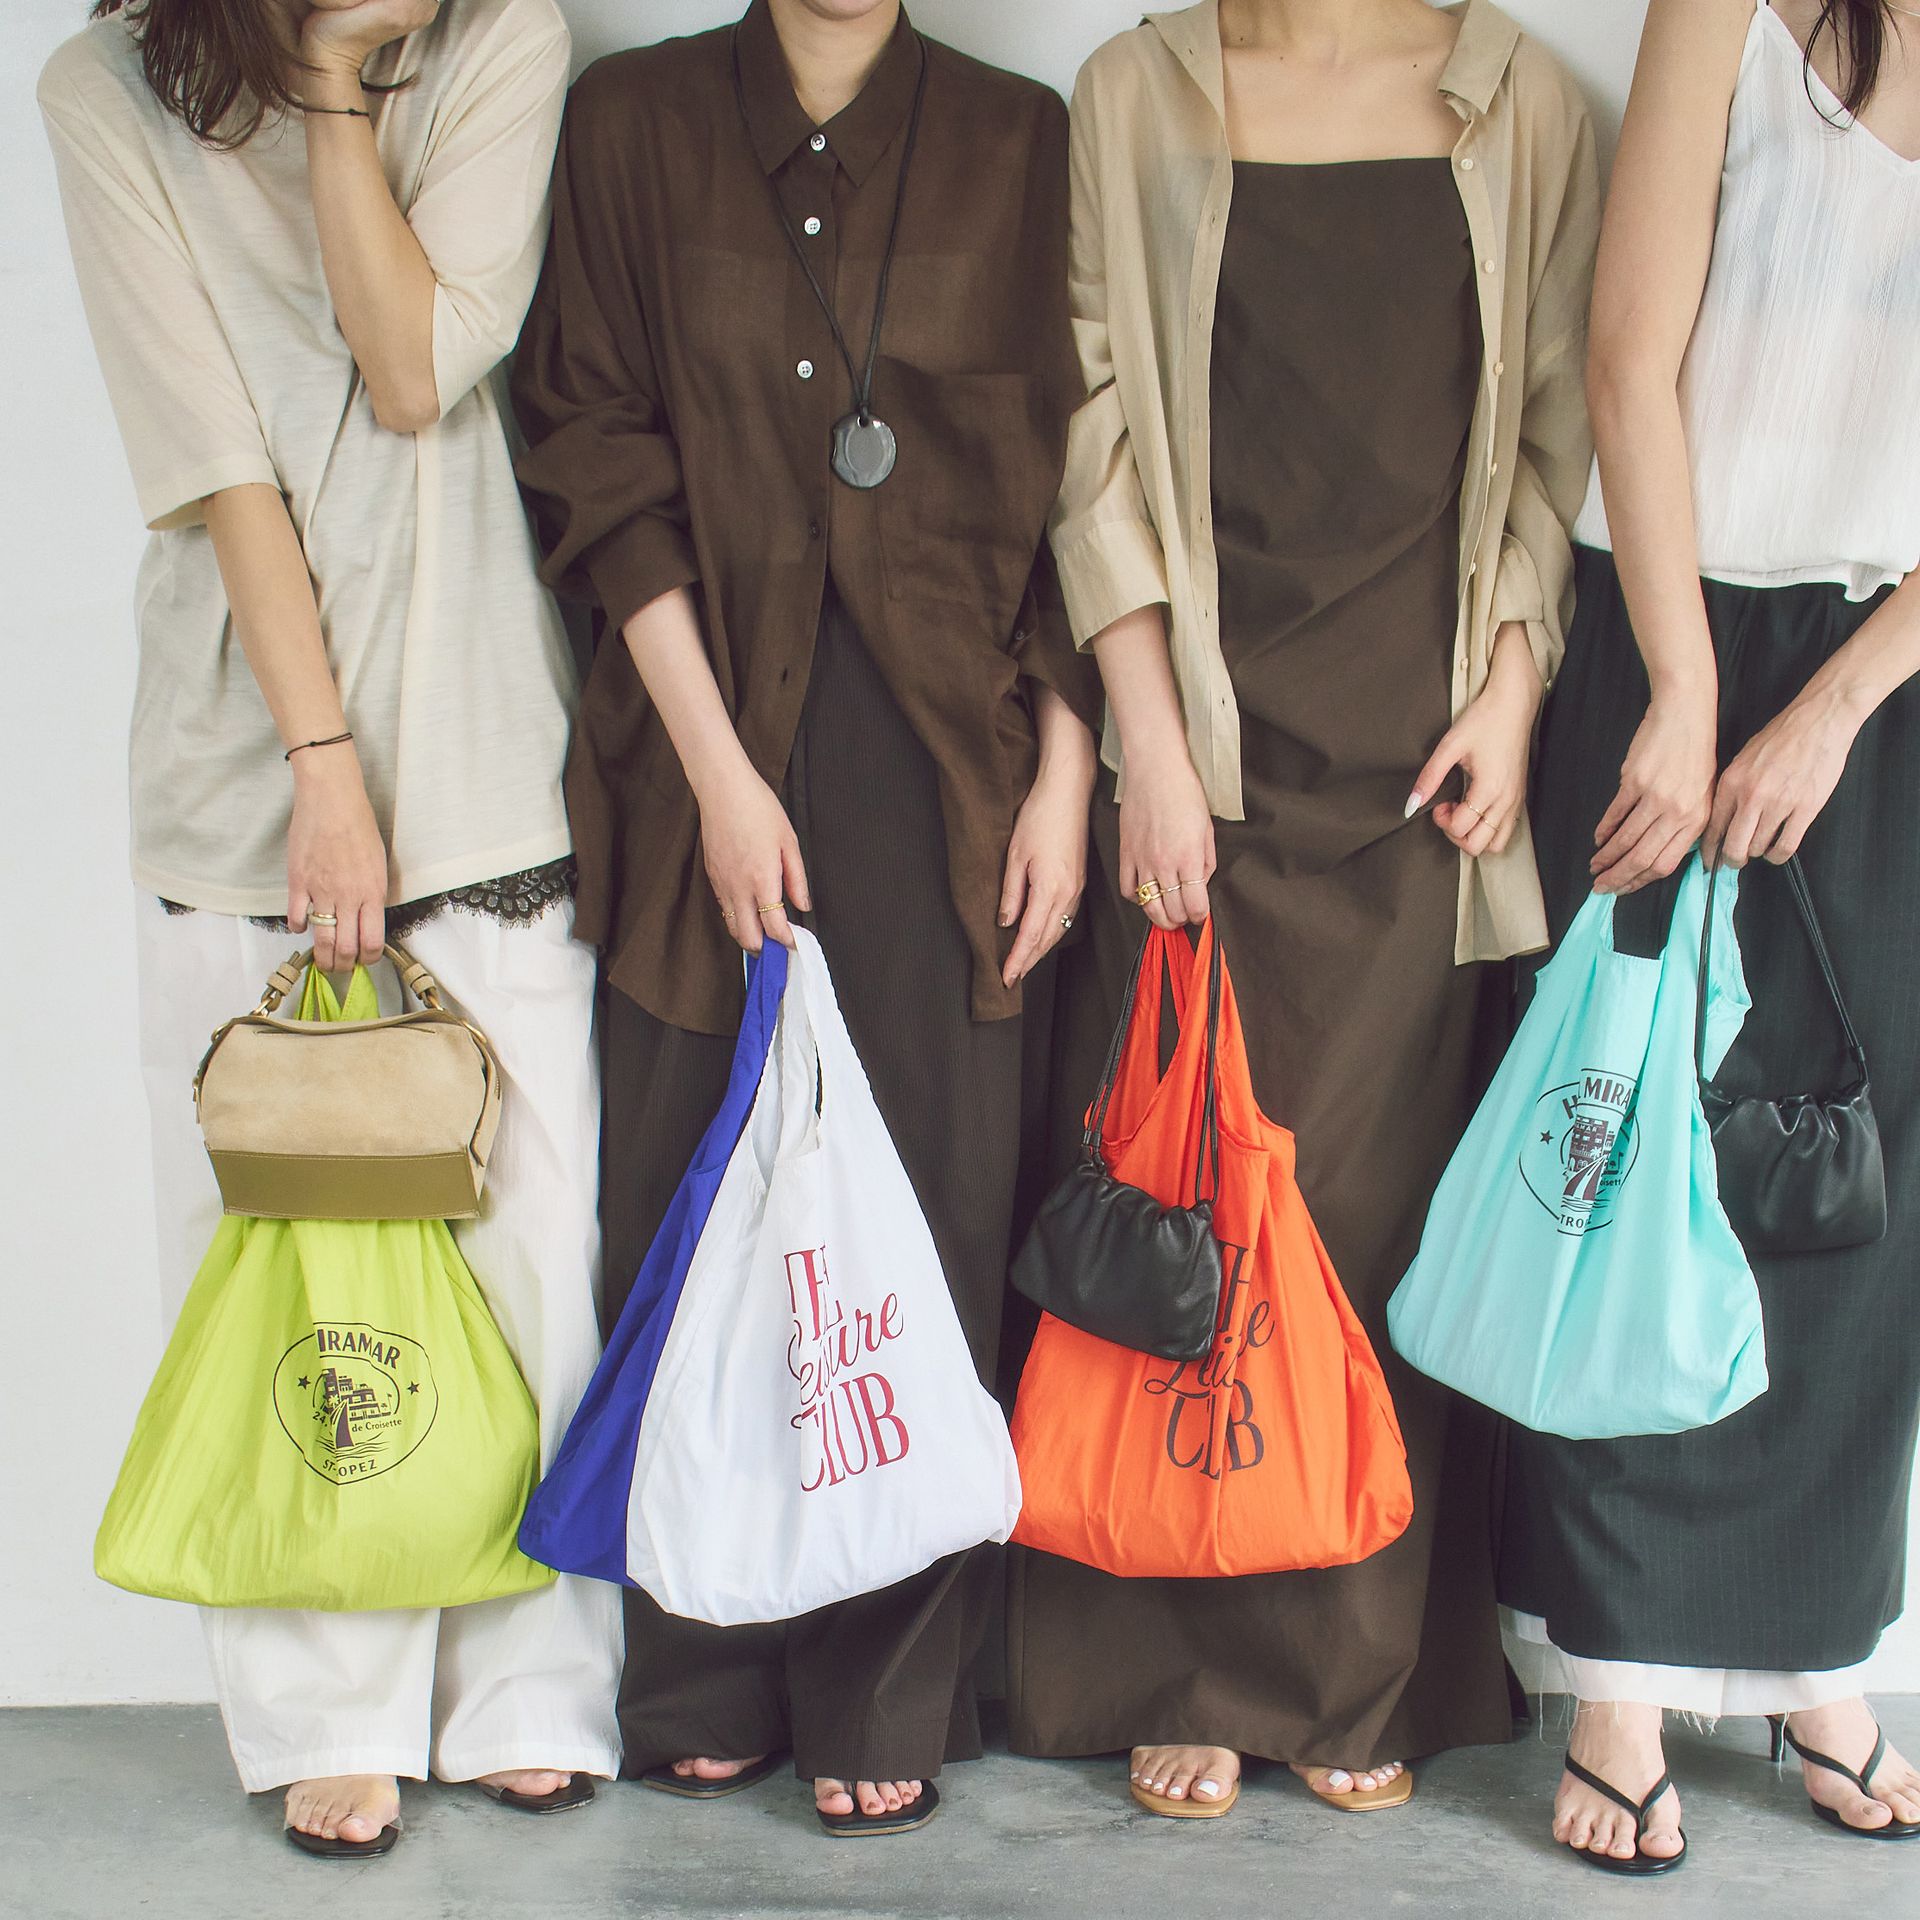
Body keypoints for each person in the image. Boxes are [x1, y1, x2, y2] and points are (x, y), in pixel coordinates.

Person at [510, 0, 1098, 1840]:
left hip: (954, 778)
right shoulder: (635, 123)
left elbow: (1088, 479)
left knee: (929, 1213)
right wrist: (715, 770)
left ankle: (887, 1681)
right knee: (684, 1196)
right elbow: (590, 447)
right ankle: (700, 1657)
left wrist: (1068, 774)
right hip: (699, 752)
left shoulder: (1020, 138)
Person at [40, 0, 621, 1859]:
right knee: (279, 1266)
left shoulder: (496, 39)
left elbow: (413, 365)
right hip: (250, 770)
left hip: (477, 734)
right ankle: (327, 1709)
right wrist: (322, 764)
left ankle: (525, 1686)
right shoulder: (102, 88)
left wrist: (332, 89)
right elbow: (219, 463)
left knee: (530, 1255)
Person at [1006, 0, 1598, 1817]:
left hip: (1422, 765)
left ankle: (1353, 1677)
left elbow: (1555, 432)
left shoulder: (1524, 103)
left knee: (1362, 1226)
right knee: (1191, 1202)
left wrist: (1515, 690)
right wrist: (1146, 735)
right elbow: (1086, 430)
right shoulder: (1134, 91)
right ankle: (1182, 1666)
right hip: (1204, 749)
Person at [1500, 0, 1920, 1873]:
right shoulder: (1730, 17)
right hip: (1666, 621)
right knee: (1625, 1151)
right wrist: (1680, 688)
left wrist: (1831, 711)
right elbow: (1626, 354)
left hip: (1878, 678)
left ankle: (1819, 1655)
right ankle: (1617, 1678)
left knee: (1857, 1184)